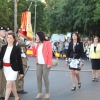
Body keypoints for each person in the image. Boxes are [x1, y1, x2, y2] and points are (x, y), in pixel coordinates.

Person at [0, 33, 24, 100]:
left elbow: (19, 60)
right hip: (5, 68)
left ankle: (6, 99)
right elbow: (1, 57)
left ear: (13, 39)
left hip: (13, 69)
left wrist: (21, 72)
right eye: (8, 37)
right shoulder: (4, 47)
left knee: (8, 84)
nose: (9, 39)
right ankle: (16, 97)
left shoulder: (16, 48)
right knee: (12, 84)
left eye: (10, 38)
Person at [33, 31, 52, 99]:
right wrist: (34, 45)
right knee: (38, 77)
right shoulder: (38, 44)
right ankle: (39, 93)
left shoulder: (47, 43)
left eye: (36, 36)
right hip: (39, 63)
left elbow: (50, 54)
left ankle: (47, 93)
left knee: (45, 77)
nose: (36, 37)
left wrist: (49, 63)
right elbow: (34, 53)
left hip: (45, 63)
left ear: (40, 36)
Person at [0, 27, 6, 100]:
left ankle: (2, 93)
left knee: (3, 79)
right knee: (0, 79)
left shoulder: (4, 40)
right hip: (0, 61)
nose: (5, 32)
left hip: (5, 62)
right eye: (3, 31)